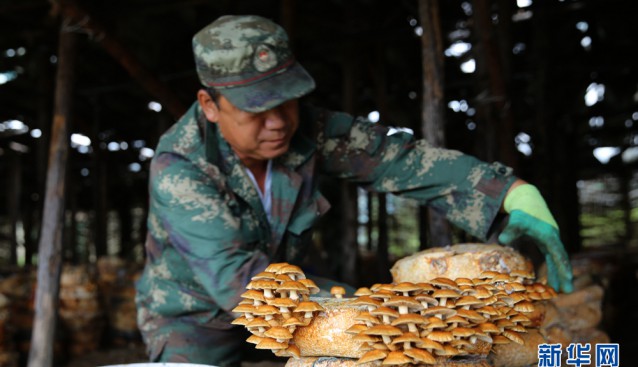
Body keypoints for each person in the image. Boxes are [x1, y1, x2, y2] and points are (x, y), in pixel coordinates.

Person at [135, 14, 573, 366]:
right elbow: (237, 281)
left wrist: (510, 192)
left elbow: (398, 159)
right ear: (210, 105)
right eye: (257, 109)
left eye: (287, 100)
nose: (279, 122)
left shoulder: (306, 129)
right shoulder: (181, 167)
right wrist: (387, 311)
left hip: (300, 308)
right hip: (198, 323)